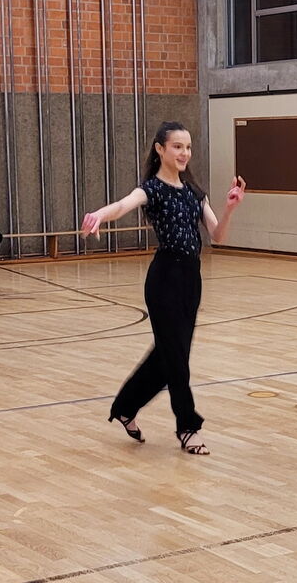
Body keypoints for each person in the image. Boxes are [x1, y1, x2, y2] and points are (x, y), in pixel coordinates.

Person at [81, 121, 245, 455]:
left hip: (191, 280)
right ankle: (188, 427)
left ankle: (125, 407)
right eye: (177, 146)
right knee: (177, 359)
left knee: (168, 357)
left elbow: (218, 236)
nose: (184, 153)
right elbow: (123, 205)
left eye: (188, 147)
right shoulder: (152, 189)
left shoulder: (195, 192)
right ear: (160, 149)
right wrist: (99, 214)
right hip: (164, 279)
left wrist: (229, 208)